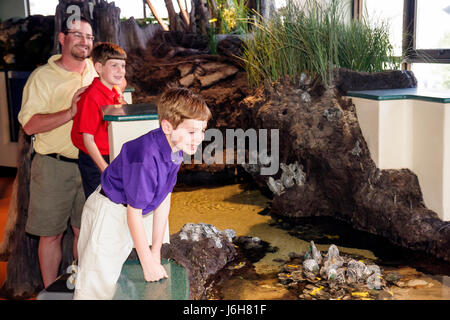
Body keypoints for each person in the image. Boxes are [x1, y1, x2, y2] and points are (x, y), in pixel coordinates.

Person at [73, 87, 212, 300]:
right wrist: (146, 261)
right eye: (192, 131)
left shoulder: (176, 146)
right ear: (167, 126)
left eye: (202, 131)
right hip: (108, 213)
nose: (199, 138)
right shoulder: (146, 157)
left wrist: (155, 250)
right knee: (94, 287)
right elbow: (133, 212)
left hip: (126, 212)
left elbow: (164, 198)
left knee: (115, 283)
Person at [17, 16, 97, 288]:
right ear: (62, 39)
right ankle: (50, 290)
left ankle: (83, 286)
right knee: (50, 235)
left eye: (88, 36)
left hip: (91, 165)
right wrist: (71, 112)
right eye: (77, 34)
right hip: (53, 166)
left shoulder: (97, 73)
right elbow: (29, 125)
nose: (84, 41)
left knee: (84, 231)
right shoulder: (43, 77)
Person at [71, 42, 127, 199]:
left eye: (123, 66)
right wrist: (104, 168)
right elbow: (87, 139)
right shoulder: (92, 96)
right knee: (100, 203)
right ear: (99, 68)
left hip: (111, 153)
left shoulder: (114, 91)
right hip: (95, 159)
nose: (120, 71)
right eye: (114, 65)